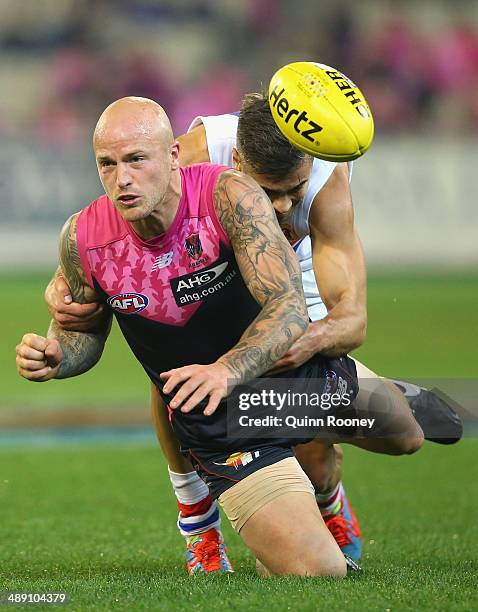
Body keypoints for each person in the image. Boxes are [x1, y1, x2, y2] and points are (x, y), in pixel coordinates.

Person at [44, 92, 461, 573]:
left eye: (294, 191)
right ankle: (205, 519)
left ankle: (361, 440)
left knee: (402, 438)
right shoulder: (145, 194)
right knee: (314, 570)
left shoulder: (283, 189)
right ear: (238, 160)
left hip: (285, 337)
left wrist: (276, 350)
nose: (282, 207)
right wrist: (59, 334)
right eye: (109, 164)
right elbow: (88, 328)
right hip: (223, 409)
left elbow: (337, 318)